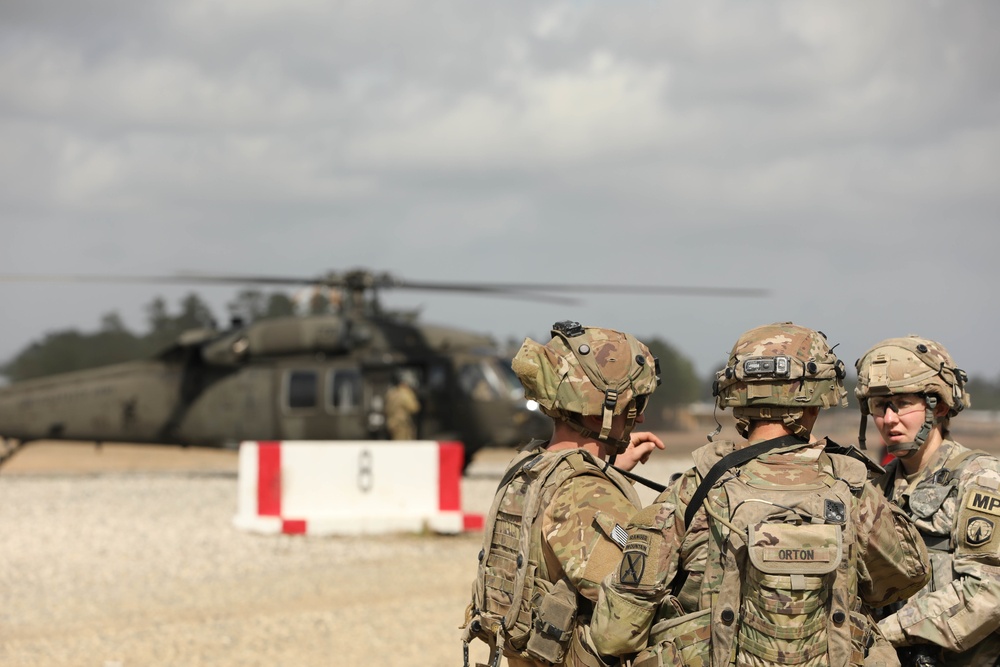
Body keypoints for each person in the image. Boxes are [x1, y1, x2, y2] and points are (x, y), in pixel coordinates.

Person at [590, 322, 930, 667]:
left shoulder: (693, 490)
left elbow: (614, 632)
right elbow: (905, 578)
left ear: (735, 397)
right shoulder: (853, 489)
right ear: (817, 401)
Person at [462, 321, 666, 667]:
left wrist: (610, 468)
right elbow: (628, 612)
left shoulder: (530, 467)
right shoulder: (585, 493)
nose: (641, 416)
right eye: (635, 403)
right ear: (603, 404)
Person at [856, 336, 1000, 666]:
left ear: (940, 406)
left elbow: (989, 591)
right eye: (879, 406)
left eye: (903, 403)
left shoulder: (980, 479)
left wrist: (884, 634)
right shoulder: (875, 488)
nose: (889, 419)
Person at [384, 371, 420, 440]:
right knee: (403, 446)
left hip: (391, 423)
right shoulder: (405, 393)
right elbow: (414, 408)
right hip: (402, 424)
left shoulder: (392, 393)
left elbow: (386, 408)